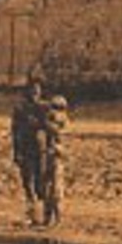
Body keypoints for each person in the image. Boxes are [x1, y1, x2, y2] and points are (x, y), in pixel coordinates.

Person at [10, 77, 48, 226]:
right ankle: (31, 213)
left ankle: (43, 214)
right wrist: (16, 152)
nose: (35, 94)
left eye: (37, 91)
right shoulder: (20, 109)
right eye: (32, 91)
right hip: (25, 148)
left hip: (40, 149)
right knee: (27, 182)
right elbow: (15, 131)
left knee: (41, 182)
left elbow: (52, 127)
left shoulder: (44, 108)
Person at [38, 95, 70, 228]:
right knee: (47, 188)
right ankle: (48, 218)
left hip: (56, 156)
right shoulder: (53, 122)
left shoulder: (61, 124)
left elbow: (59, 134)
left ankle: (57, 218)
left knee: (56, 189)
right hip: (49, 155)